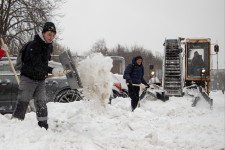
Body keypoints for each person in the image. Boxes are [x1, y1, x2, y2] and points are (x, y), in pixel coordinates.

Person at [12, 22, 63, 130]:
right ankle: (14, 127)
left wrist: (50, 70)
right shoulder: (34, 45)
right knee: (23, 102)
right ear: (43, 33)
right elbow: (37, 65)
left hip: (40, 80)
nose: (51, 37)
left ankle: (43, 126)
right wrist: (52, 70)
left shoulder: (49, 46)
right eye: (49, 34)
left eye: (53, 35)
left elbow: (44, 63)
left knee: (41, 103)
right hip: (28, 78)